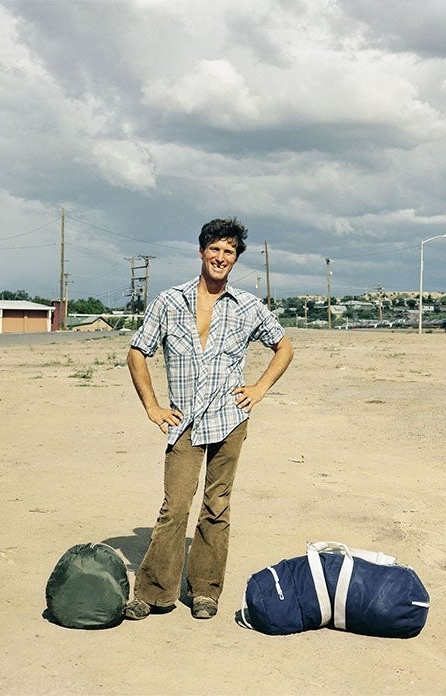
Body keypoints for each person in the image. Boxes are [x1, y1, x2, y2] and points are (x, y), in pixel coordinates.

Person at [124, 218, 294, 620]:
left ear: (236, 259)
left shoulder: (248, 306)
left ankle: (205, 591)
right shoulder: (169, 301)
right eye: (215, 249)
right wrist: (152, 406)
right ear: (201, 252)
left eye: (229, 251)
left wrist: (259, 388)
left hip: (229, 419)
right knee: (176, 506)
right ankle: (153, 593)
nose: (221, 257)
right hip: (184, 421)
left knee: (217, 506)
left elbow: (284, 347)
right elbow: (137, 352)